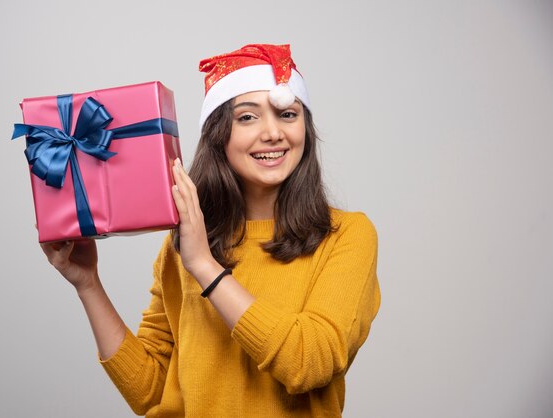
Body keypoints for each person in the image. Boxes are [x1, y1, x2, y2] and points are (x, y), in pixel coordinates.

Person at [41, 44, 381, 417]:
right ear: (219, 134)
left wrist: (204, 265)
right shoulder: (186, 243)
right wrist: (87, 283)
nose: (272, 133)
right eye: (247, 118)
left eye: (287, 114)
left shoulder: (346, 236)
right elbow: (151, 392)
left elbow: (309, 363)